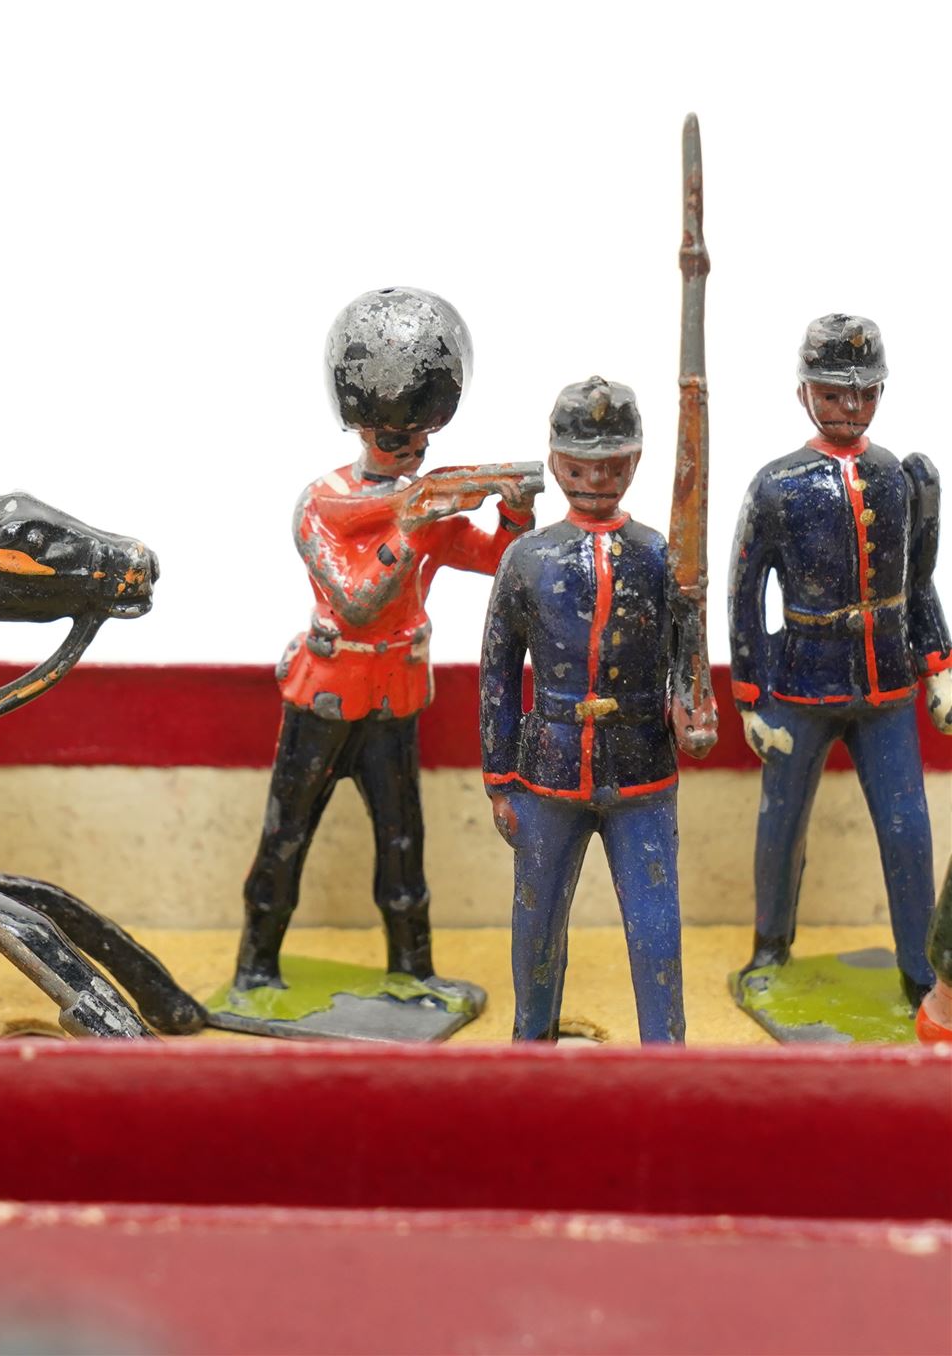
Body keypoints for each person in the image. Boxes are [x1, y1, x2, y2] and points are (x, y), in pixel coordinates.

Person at [233, 288, 536, 995]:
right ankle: (254, 967)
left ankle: (412, 974)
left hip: (395, 697)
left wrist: (514, 516)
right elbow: (357, 602)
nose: (408, 454)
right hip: (327, 695)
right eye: (394, 440)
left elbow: (499, 560)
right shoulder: (321, 505)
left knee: (403, 848)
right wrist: (410, 525)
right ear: (364, 429)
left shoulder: (419, 501)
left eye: (418, 441)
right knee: (286, 837)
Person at [727, 314, 952, 1008]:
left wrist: (937, 663)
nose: (849, 409)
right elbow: (744, 592)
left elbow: (916, 580)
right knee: (782, 823)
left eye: (863, 394)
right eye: (833, 394)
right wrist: (750, 696)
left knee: (908, 827)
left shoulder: (895, 477)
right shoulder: (777, 485)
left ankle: (920, 969)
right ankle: (770, 948)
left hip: (886, 685)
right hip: (799, 683)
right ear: (805, 394)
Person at [480, 377, 704, 1043]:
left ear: (633, 465)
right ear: (555, 464)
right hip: (548, 773)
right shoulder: (527, 558)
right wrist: (499, 778)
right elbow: (497, 671)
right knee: (536, 922)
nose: (594, 480)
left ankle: (667, 1056)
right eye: (579, 467)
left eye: (609, 467)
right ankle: (531, 1045)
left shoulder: (662, 556)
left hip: (641, 773)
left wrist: (694, 702)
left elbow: (686, 652)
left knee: (657, 928)